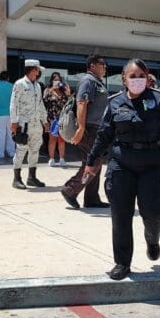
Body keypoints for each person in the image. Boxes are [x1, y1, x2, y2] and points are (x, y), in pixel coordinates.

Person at [83, 59, 160, 280]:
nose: (137, 80)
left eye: (141, 76)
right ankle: (122, 262)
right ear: (124, 78)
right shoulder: (114, 102)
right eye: (132, 76)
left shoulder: (159, 99)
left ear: (147, 77)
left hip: (152, 164)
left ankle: (152, 239)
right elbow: (104, 133)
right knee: (120, 216)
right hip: (121, 163)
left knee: (154, 213)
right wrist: (91, 161)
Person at [62, 55, 109, 208]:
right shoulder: (88, 80)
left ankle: (91, 198)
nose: (105, 67)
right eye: (102, 64)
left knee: (97, 162)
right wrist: (81, 128)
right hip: (89, 128)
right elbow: (82, 103)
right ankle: (70, 190)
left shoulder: (97, 81)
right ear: (92, 65)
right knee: (92, 162)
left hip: (96, 128)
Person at [10, 59, 48, 189]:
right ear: (33, 70)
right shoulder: (19, 84)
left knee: (35, 149)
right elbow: (13, 104)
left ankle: (32, 177)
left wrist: (45, 120)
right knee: (21, 150)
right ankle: (16, 179)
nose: (39, 72)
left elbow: (40, 104)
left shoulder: (37, 85)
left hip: (36, 125)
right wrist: (14, 122)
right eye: (38, 70)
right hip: (24, 124)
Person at [43, 72, 70, 167]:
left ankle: (62, 158)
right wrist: (51, 90)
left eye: (58, 80)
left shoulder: (63, 91)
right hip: (52, 118)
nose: (57, 81)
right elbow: (44, 100)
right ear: (52, 81)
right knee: (52, 138)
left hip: (62, 118)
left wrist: (68, 93)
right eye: (55, 80)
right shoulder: (47, 90)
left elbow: (70, 103)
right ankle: (51, 158)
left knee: (62, 139)